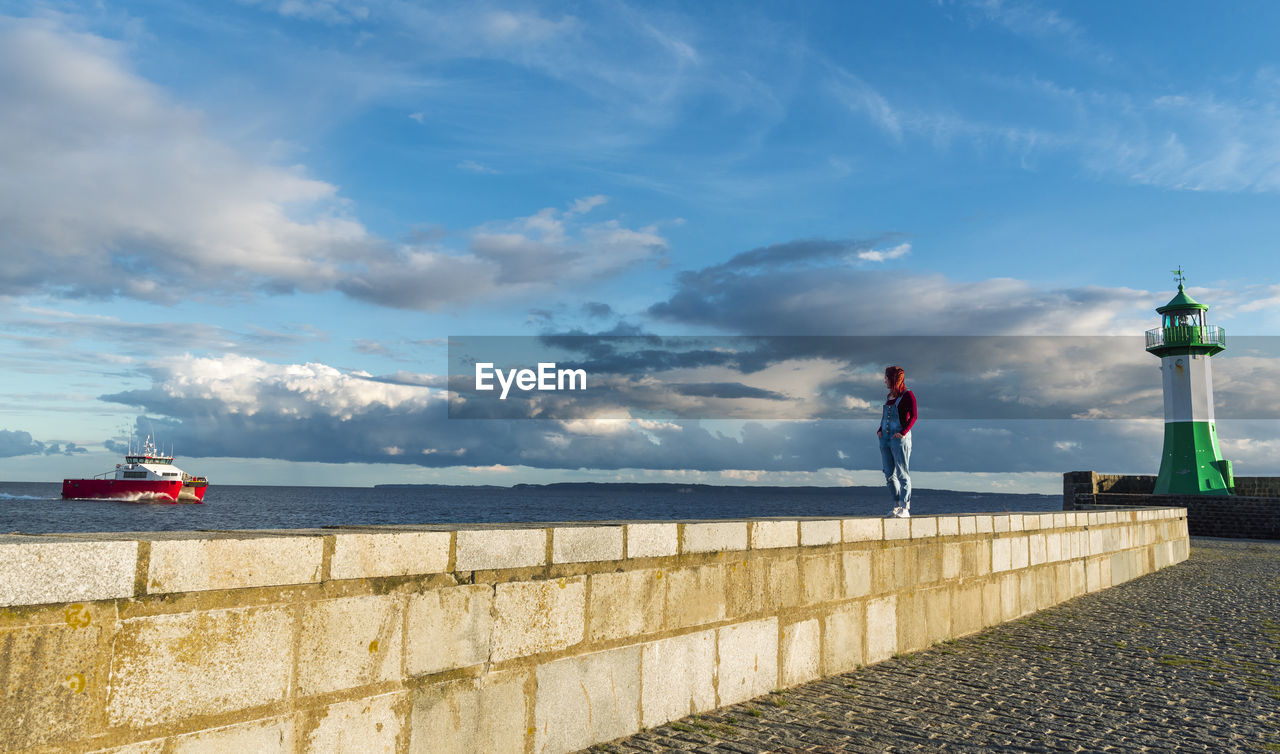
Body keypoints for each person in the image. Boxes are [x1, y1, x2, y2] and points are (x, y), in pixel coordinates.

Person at [877, 365, 916, 518]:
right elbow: (885, 417)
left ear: (892, 379)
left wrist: (903, 432)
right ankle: (896, 505)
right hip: (885, 439)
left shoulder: (908, 395)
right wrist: (879, 430)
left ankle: (905, 507)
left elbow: (913, 416)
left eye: (886, 377)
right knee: (888, 473)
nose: (884, 380)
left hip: (899, 439)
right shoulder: (889, 397)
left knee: (902, 473)